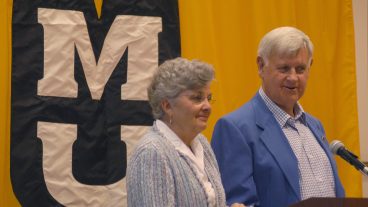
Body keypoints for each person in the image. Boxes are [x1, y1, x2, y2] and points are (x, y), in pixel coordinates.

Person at [211, 27, 345, 207]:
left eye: (300, 69)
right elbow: (238, 202)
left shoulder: (315, 125)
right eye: (284, 68)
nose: (293, 78)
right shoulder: (235, 129)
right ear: (260, 66)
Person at [127, 57, 244, 207]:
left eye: (209, 98)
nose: (208, 106)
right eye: (197, 98)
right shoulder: (152, 153)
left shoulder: (201, 142)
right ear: (167, 106)